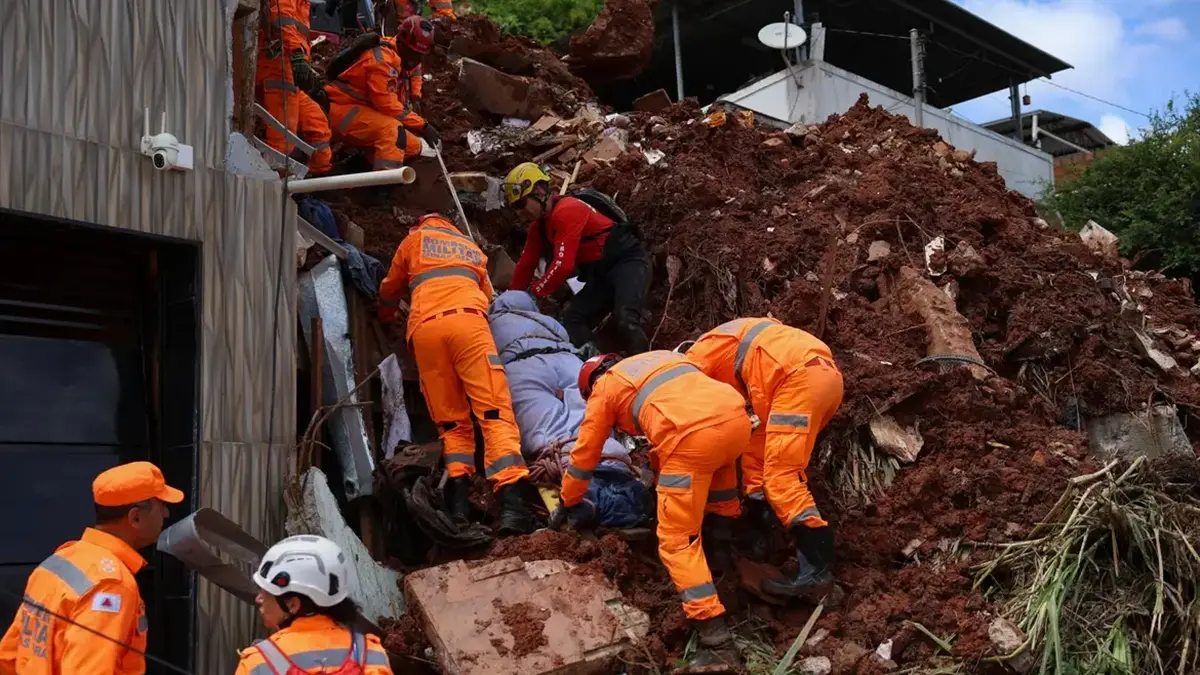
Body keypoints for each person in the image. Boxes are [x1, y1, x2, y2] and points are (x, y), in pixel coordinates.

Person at [556, 351, 751, 668]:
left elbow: (584, 455)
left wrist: (569, 499)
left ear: (590, 385)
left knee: (676, 539)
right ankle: (724, 573)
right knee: (720, 502)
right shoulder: (658, 359)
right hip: (735, 420)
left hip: (689, 438)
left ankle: (716, 640)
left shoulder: (605, 388)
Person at [377, 214, 538, 535]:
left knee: (451, 423)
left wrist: (385, 316)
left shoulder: (413, 241)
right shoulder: (470, 246)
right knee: (493, 413)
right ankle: (512, 507)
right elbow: (489, 299)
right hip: (469, 325)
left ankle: (459, 505)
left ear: (420, 224)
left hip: (425, 330)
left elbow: (389, 289)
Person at [685, 317, 844, 598]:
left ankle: (818, 574)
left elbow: (700, 425)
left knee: (782, 477)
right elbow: (751, 432)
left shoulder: (693, 364)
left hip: (795, 380)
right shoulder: (734, 342)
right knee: (761, 452)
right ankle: (761, 518)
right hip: (823, 377)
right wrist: (754, 497)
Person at [0, 461, 185, 674]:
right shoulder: (111, 585)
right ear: (135, 517)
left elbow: (9, 657)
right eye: (162, 505)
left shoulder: (61, 560)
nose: (166, 514)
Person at [487, 290, 648, 529]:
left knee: (544, 427)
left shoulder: (490, 324)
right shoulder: (548, 321)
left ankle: (573, 474)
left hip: (521, 367)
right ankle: (610, 462)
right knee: (591, 420)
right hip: (569, 362)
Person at [502, 162, 651, 357]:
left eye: (521, 205)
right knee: (571, 317)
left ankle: (648, 365)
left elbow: (563, 265)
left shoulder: (567, 210)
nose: (519, 213)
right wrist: (510, 302)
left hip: (628, 262)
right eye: (515, 209)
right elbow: (525, 266)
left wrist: (535, 293)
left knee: (626, 318)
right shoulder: (538, 229)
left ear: (538, 191)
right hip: (600, 277)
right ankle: (596, 364)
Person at [235, 535, 392, 675]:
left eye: (267, 592)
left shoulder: (257, 664)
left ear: (293, 604)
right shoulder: (372, 656)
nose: (259, 598)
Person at [324, 18, 440, 188]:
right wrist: (423, 126)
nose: (415, 59)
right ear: (402, 42)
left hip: (363, 111)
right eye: (413, 54)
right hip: (342, 110)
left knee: (413, 145)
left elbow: (415, 69)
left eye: (419, 55)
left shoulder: (403, 53)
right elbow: (387, 106)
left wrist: (415, 96)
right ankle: (382, 186)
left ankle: (359, 164)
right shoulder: (383, 61)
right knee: (392, 130)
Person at [256, 0, 333, 176]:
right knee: (282, 139)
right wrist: (297, 55)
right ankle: (273, 188)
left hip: (289, 70)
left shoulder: (303, 3)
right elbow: (281, 17)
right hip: (278, 68)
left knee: (317, 124)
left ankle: (319, 181)